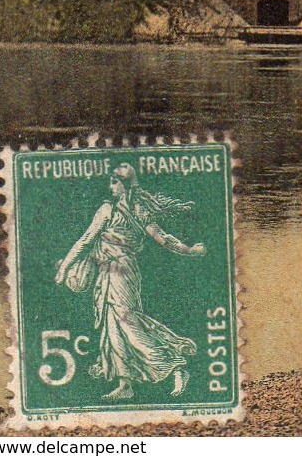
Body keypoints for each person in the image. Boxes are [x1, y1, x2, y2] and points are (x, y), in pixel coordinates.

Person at [55, 164, 205, 400]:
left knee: (127, 323)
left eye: (114, 182)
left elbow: (87, 240)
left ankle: (175, 365)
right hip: (111, 271)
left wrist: (64, 268)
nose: (110, 186)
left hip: (120, 272)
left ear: (124, 185)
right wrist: (190, 251)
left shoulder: (114, 209)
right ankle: (125, 384)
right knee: (113, 326)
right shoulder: (132, 208)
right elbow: (163, 239)